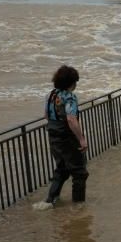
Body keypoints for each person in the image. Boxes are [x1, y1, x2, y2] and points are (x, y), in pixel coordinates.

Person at [44, 64, 89, 204]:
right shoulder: (69, 97)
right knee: (79, 172)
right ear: (71, 83)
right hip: (67, 137)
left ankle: (51, 200)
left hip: (53, 135)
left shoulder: (51, 94)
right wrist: (81, 139)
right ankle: (78, 206)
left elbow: (46, 115)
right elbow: (71, 119)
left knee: (62, 168)